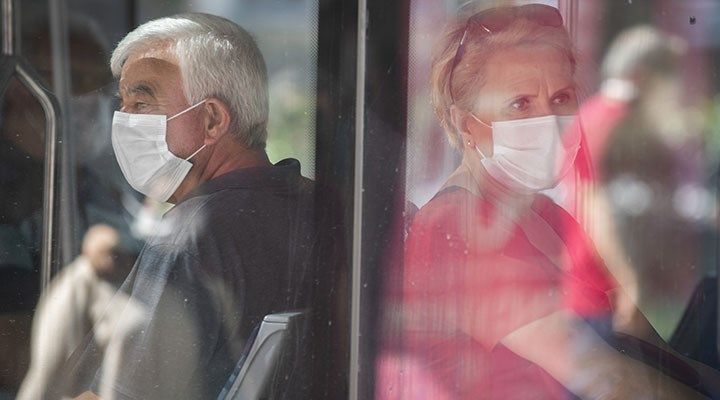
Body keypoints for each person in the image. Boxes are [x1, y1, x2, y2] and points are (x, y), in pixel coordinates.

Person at [377, 4, 719, 399]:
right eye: (519, 103)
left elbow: (651, 348)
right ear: (466, 124)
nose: (548, 120)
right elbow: (608, 379)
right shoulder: (454, 228)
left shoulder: (550, 216)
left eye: (561, 98)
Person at [54, 13, 316, 400]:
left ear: (212, 120)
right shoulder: (317, 205)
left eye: (141, 103)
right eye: (122, 104)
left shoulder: (190, 235)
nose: (123, 121)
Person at [17, 225, 134, 400]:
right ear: (89, 252)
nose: (115, 261)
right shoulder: (73, 288)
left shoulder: (110, 288)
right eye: (110, 254)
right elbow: (52, 365)